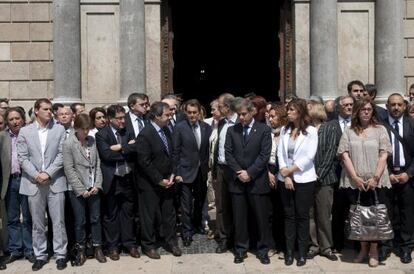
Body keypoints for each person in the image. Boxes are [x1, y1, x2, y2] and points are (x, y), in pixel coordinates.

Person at [337, 98, 392, 268]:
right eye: (363, 109)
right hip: (355, 181)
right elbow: (344, 155)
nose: (366, 112)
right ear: (357, 112)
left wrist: (375, 177)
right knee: (358, 215)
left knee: (375, 215)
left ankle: (374, 250)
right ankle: (362, 249)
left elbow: (384, 154)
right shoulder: (349, 131)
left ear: (373, 111)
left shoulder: (380, 130)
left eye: (369, 109)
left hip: (376, 179)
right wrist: (355, 177)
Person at [17, 98, 68, 271]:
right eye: (46, 109)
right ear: (36, 110)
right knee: (37, 222)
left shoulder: (59, 129)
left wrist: (48, 172)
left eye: (50, 109)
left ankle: (61, 254)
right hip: (33, 183)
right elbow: (22, 158)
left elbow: (62, 155)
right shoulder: (25, 131)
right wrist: (37, 174)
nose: (50, 112)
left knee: (59, 221)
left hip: (55, 181)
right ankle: (40, 255)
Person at [225, 98, 272, 264]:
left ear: (252, 112)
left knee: (261, 218)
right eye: (239, 115)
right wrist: (240, 172)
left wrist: (250, 173)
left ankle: (263, 249)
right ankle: (240, 249)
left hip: (257, 181)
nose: (241, 118)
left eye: (244, 114)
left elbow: (264, 155)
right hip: (237, 182)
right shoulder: (232, 130)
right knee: (240, 218)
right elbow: (228, 154)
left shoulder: (264, 130)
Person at [136, 102, 182, 259]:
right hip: (150, 183)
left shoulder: (167, 130)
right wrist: (158, 180)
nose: (171, 117)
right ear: (156, 116)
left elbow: (172, 154)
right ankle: (148, 245)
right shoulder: (145, 134)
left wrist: (172, 174)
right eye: (167, 115)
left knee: (169, 214)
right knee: (149, 216)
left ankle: (171, 242)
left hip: (167, 181)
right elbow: (144, 162)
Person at [277, 98, 318, 267]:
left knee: (302, 217)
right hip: (285, 179)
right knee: (289, 216)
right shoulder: (284, 130)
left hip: (304, 179)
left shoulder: (311, 131)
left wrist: (291, 171)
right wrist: (285, 174)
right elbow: (280, 153)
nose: (288, 112)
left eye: (292, 109)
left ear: (300, 111)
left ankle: (301, 253)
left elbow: (309, 157)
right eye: (288, 109)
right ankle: (289, 252)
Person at [95, 105, 139, 261]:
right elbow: (106, 155)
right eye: (119, 118)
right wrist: (127, 148)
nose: (122, 121)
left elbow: (136, 150)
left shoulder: (128, 131)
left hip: (127, 178)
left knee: (128, 213)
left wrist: (119, 148)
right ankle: (113, 247)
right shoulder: (102, 134)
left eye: (124, 117)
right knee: (111, 214)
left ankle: (130, 244)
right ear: (110, 119)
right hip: (112, 180)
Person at [63, 113, 106, 265]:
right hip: (77, 189)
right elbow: (69, 169)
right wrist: (81, 190)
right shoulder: (69, 144)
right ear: (76, 128)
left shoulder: (92, 141)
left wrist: (97, 184)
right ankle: (81, 249)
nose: (86, 132)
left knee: (95, 219)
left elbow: (98, 164)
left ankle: (97, 247)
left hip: (93, 186)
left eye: (88, 129)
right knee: (80, 221)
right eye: (83, 129)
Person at [172, 99, 212, 246]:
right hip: (185, 173)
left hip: (201, 172)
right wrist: (176, 172)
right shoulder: (179, 128)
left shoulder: (206, 128)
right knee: (186, 205)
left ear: (199, 112)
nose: (192, 115)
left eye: (194, 112)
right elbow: (175, 152)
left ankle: (197, 225)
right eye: (189, 113)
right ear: (185, 113)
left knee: (200, 202)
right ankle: (187, 232)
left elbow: (207, 150)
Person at [0, 108, 34, 266]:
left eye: (17, 118)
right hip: (10, 181)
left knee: (28, 217)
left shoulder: (30, 134)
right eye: (11, 119)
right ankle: (15, 249)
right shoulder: (2, 137)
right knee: (12, 218)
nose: (15, 122)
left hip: (27, 180)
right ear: (7, 121)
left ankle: (29, 249)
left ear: (23, 119)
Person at [383, 93, 414, 264]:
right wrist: (386, 173)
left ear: (404, 106)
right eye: (393, 104)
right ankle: (387, 245)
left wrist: (408, 174)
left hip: (407, 175)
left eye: (399, 104)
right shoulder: (380, 126)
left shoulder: (412, 124)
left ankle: (406, 246)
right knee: (387, 212)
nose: (396, 107)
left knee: (406, 212)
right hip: (386, 174)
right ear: (387, 106)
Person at [306, 101, 339, 261]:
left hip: (324, 179)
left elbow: (331, 152)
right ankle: (314, 245)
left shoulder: (330, 127)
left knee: (324, 214)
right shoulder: (305, 130)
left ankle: (326, 246)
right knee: (310, 214)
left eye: (307, 108)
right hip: (306, 179)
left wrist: (318, 174)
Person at [213, 93, 237, 253]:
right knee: (221, 206)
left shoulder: (240, 122)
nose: (218, 108)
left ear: (227, 107)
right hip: (221, 169)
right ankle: (223, 238)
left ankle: (238, 238)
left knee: (237, 205)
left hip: (235, 170)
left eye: (220, 106)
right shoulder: (221, 123)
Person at [268, 102, 288, 253]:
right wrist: (268, 173)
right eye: (269, 115)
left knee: (284, 211)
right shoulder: (266, 133)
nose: (270, 118)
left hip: (284, 172)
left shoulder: (288, 133)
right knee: (271, 211)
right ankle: (273, 244)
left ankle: (284, 245)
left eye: (273, 116)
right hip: (268, 171)